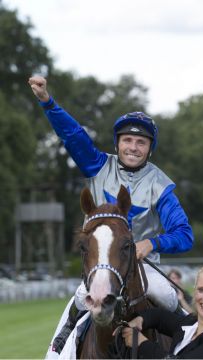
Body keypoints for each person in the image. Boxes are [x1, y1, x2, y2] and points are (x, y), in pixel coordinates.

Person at [28, 76, 194, 355]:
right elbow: (73, 136)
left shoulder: (160, 186)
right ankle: (58, 349)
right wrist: (48, 102)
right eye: (127, 140)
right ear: (117, 144)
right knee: (81, 297)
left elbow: (185, 234)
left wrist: (151, 244)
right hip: (100, 267)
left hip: (143, 270)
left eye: (141, 142)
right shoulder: (98, 166)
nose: (133, 147)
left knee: (167, 296)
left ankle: (188, 345)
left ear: (149, 149)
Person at [121, 263, 203, 359]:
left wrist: (141, 344)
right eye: (201, 290)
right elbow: (160, 317)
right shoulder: (191, 322)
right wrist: (141, 319)